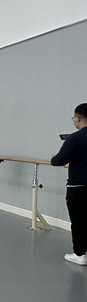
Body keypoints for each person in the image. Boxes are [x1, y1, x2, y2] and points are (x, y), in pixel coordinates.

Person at [51, 103, 87, 265]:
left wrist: (54, 157)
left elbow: (58, 161)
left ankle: (80, 254)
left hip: (78, 186)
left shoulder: (75, 138)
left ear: (78, 119)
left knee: (79, 221)